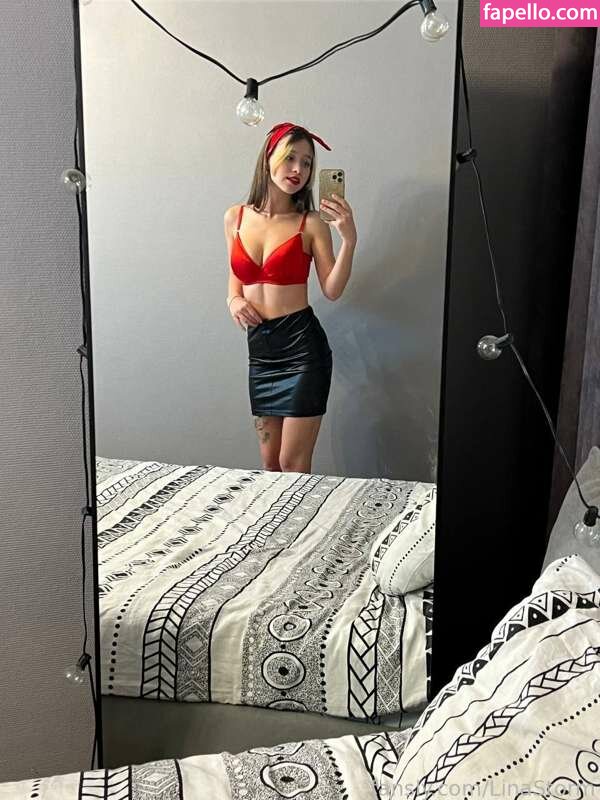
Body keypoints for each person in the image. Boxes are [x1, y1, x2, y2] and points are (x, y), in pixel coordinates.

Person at [223, 122, 357, 474]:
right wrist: (234, 301)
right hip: (261, 353)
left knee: (292, 464)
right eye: (290, 158)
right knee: (270, 465)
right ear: (268, 158)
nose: (298, 169)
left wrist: (349, 240)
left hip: (302, 351)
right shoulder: (235, 218)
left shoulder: (311, 223)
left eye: (307, 162)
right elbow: (236, 281)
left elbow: (332, 289)